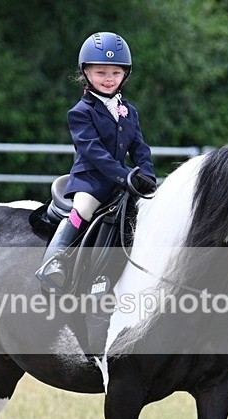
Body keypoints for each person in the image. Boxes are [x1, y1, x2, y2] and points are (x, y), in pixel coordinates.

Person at [36, 31, 157, 293]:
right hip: (91, 181)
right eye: (101, 72)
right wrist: (125, 175)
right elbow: (93, 152)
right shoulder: (80, 113)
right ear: (86, 73)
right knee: (83, 209)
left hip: (124, 182)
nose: (109, 79)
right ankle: (55, 262)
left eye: (115, 73)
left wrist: (146, 174)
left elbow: (139, 146)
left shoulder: (129, 111)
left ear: (125, 74)